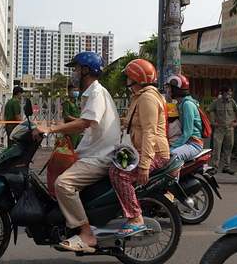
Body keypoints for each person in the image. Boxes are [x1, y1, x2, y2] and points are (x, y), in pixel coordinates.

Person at [33, 52, 121, 253]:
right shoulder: (91, 94)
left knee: (63, 184)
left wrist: (51, 129)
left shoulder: (97, 93)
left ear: (85, 70)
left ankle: (86, 233)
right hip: (92, 152)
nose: (73, 74)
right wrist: (57, 125)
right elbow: (84, 124)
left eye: (75, 69)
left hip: (100, 157)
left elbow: (85, 123)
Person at [108, 59, 170, 236]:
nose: (126, 80)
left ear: (135, 78)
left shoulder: (147, 98)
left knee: (120, 173)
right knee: (109, 163)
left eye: (128, 77)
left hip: (154, 152)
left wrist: (144, 164)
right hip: (141, 149)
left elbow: (149, 132)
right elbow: (133, 124)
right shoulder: (140, 96)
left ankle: (136, 218)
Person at [165, 74, 204, 162]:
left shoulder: (187, 105)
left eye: (169, 88)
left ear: (176, 89)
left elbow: (188, 132)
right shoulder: (179, 104)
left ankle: (175, 176)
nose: (167, 91)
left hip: (193, 144)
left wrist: (173, 146)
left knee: (171, 156)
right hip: (185, 142)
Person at [208, 86, 237, 175]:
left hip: (229, 129)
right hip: (219, 129)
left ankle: (226, 167)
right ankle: (214, 167)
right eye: (227, 92)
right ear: (223, 93)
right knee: (217, 148)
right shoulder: (216, 102)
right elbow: (209, 110)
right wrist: (213, 121)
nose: (229, 94)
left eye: (230, 92)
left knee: (228, 148)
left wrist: (236, 122)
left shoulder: (232, 102)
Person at [62, 84, 82, 148]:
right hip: (70, 129)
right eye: (74, 90)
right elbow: (66, 116)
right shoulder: (67, 103)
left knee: (79, 148)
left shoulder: (78, 102)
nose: (76, 92)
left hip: (78, 129)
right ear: (69, 92)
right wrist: (77, 120)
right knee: (71, 148)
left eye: (77, 90)